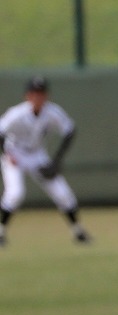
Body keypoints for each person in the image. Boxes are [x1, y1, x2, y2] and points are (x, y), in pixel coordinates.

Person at [0, 76, 90, 247]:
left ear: (46, 95)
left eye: (41, 93)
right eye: (34, 94)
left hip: (37, 155)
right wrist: (6, 153)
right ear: (27, 96)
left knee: (63, 193)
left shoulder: (52, 112)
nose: (38, 97)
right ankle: (1, 233)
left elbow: (69, 131)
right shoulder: (17, 113)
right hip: (15, 153)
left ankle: (78, 231)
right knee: (15, 194)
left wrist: (56, 161)